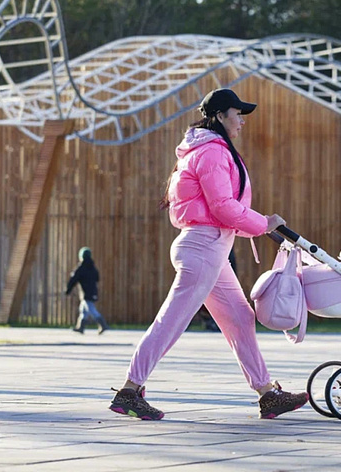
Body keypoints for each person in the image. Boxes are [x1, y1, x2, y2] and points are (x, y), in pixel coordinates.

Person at [109, 88, 308, 421]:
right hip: (203, 249)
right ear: (219, 116)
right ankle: (130, 389)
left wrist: (261, 228)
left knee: (240, 318)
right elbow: (223, 206)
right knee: (171, 321)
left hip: (210, 248)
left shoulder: (203, 150)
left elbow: (223, 213)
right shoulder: (212, 152)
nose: (241, 121)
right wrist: (265, 222)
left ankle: (267, 394)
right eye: (237, 114)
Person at [65, 247, 110, 335]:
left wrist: (68, 290)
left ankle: (103, 324)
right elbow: (97, 278)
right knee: (83, 309)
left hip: (86, 293)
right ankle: (80, 327)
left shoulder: (81, 268)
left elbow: (73, 279)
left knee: (92, 310)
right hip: (93, 291)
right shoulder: (92, 267)